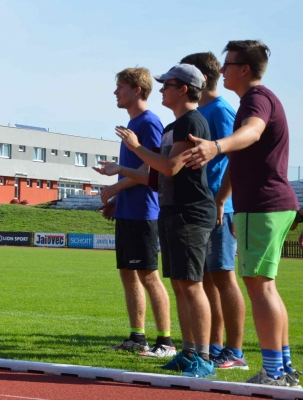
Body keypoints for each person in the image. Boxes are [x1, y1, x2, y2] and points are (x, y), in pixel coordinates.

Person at [182, 40, 300, 387]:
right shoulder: (254, 100)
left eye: (228, 63)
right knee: (267, 287)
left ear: (244, 69)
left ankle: (274, 372)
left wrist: (216, 145)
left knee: (259, 288)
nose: (222, 70)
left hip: (263, 205)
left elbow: (253, 132)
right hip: (267, 205)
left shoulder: (256, 99)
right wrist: (221, 198)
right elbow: (242, 153)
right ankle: (284, 368)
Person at [99, 64, 216, 378]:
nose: (161, 89)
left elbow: (170, 167)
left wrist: (135, 148)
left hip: (190, 212)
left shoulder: (192, 121)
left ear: (184, 89)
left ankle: (202, 358)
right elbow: (155, 174)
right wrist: (120, 179)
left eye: (168, 85)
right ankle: (188, 352)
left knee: (191, 286)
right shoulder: (172, 127)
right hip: (171, 210)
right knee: (180, 285)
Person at [94, 67, 174, 359]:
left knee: (149, 275)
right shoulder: (133, 123)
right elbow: (135, 171)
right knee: (128, 274)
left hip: (144, 212)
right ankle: (137, 337)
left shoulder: (149, 122)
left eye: (121, 87)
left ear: (137, 90)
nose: (116, 92)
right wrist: (116, 200)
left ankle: (165, 341)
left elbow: (151, 168)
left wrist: (115, 189)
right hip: (128, 209)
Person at [179, 52, 248, 371]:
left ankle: (235, 351)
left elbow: (238, 155)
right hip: (202, 207)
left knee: (223, 276)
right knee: (206, 279)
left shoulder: (221, 110)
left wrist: (222, 200)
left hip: (220, 206)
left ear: (202, 78)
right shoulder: (202, 111)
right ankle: (217, 346)